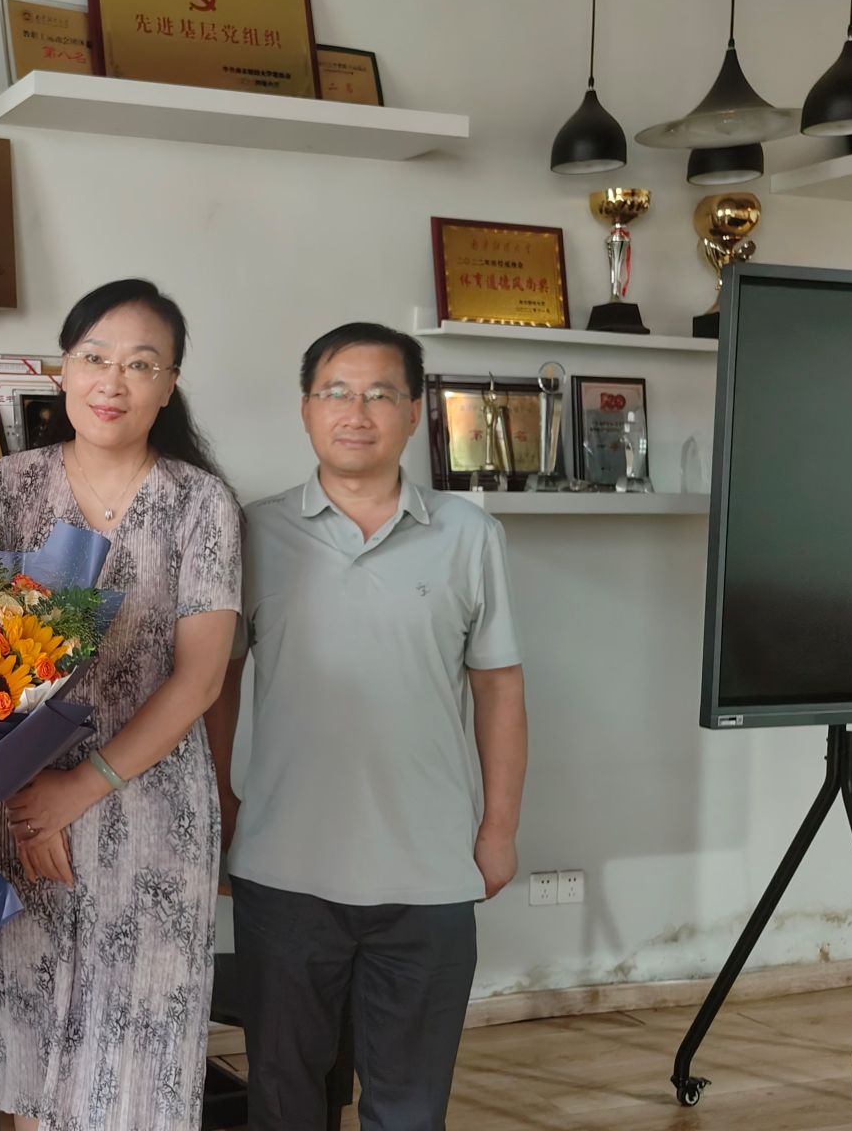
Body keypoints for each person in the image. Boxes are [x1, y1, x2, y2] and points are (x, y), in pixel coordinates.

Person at [206, 322, 529, 1131]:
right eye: (337, 393)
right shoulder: (251, 533)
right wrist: (224, 808)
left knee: (410, 1105)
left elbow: (499, 689)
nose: (357, 413)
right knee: (285, 1096)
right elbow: (215, 686)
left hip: (429, 872)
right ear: (306, 409)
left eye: (381, 394)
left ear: (415, 412)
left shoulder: (470, 536)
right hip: (285, 868)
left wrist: (498, 829)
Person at [0, 279, 242, 1130]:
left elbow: (199, 680)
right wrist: (24, 803)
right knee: (36, 1042)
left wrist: (78, 790)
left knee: (138, 1058)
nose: (113, 381)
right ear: (61, 370)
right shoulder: (10, 487)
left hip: (152, 809)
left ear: (170, 385)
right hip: (23, 803)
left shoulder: (201, 502)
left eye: (141, 364)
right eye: (94, 357)